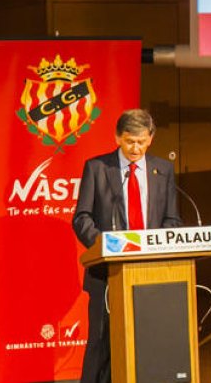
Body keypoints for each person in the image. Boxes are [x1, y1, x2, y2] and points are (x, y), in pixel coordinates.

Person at [72, 109, 182, 383]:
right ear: (118, 138)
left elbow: (172, 219)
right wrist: (104, 246)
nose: (136, 148)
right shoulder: (97, 168)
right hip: (107, 273)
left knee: (148, 340)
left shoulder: (163, 170)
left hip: (151, 273)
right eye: (130, 141)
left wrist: (156, 248)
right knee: (101, 343)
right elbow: (81, 218)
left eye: (142, 141)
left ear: (151, 139)